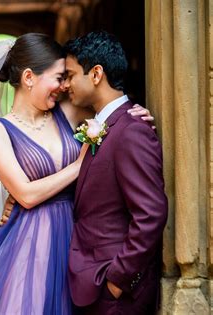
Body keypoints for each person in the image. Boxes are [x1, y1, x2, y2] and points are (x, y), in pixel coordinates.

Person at [0, 33, 154, 314]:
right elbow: (25, 195)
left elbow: (110, 112)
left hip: (78, 238)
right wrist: (78, 166)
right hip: (29, 242)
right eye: (58, 77)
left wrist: (137, 112)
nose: (64, 85)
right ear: (29, 77)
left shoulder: (70, 110)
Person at [62, 31, 168, 315]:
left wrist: (118, 279)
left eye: (71, 75)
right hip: (90, 283)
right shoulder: (101, 125)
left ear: (96, 73)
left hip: (115, 292)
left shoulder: (132, 130)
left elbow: (151, 213)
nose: (66, 85)